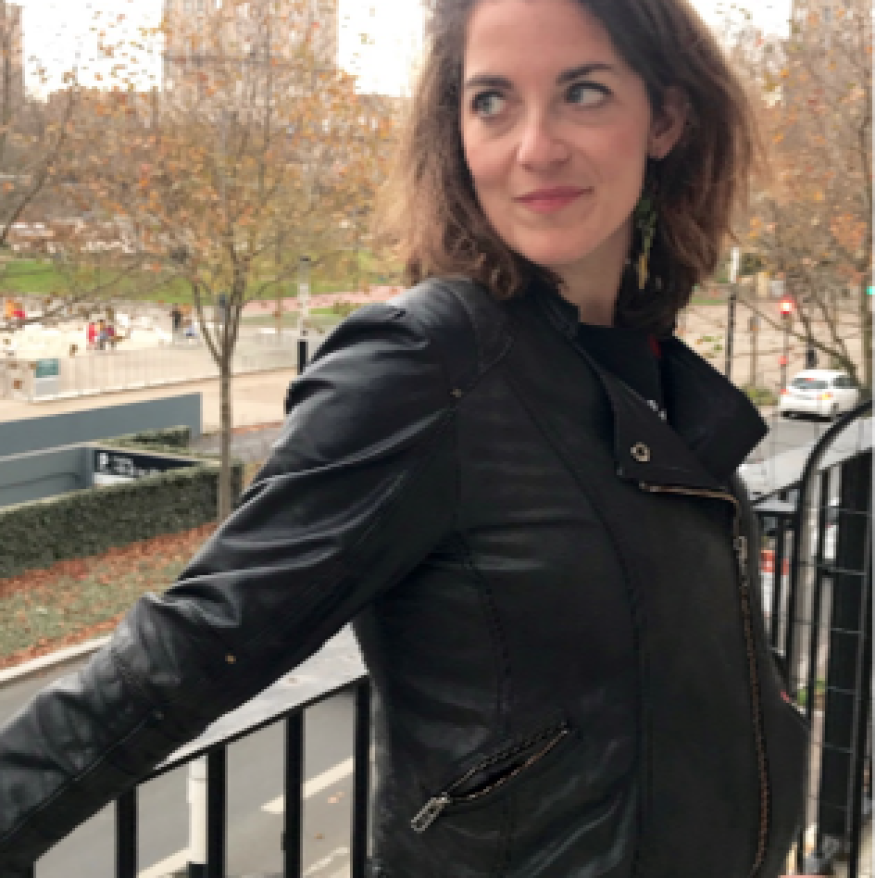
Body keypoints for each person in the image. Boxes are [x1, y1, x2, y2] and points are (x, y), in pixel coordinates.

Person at [0, 1, 808, 876]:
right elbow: (195, 643)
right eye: (492, 101)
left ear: (666, 117)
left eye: (582, 92)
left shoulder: (638, 359)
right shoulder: (428, 363)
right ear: (453, 131)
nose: (534, 147)